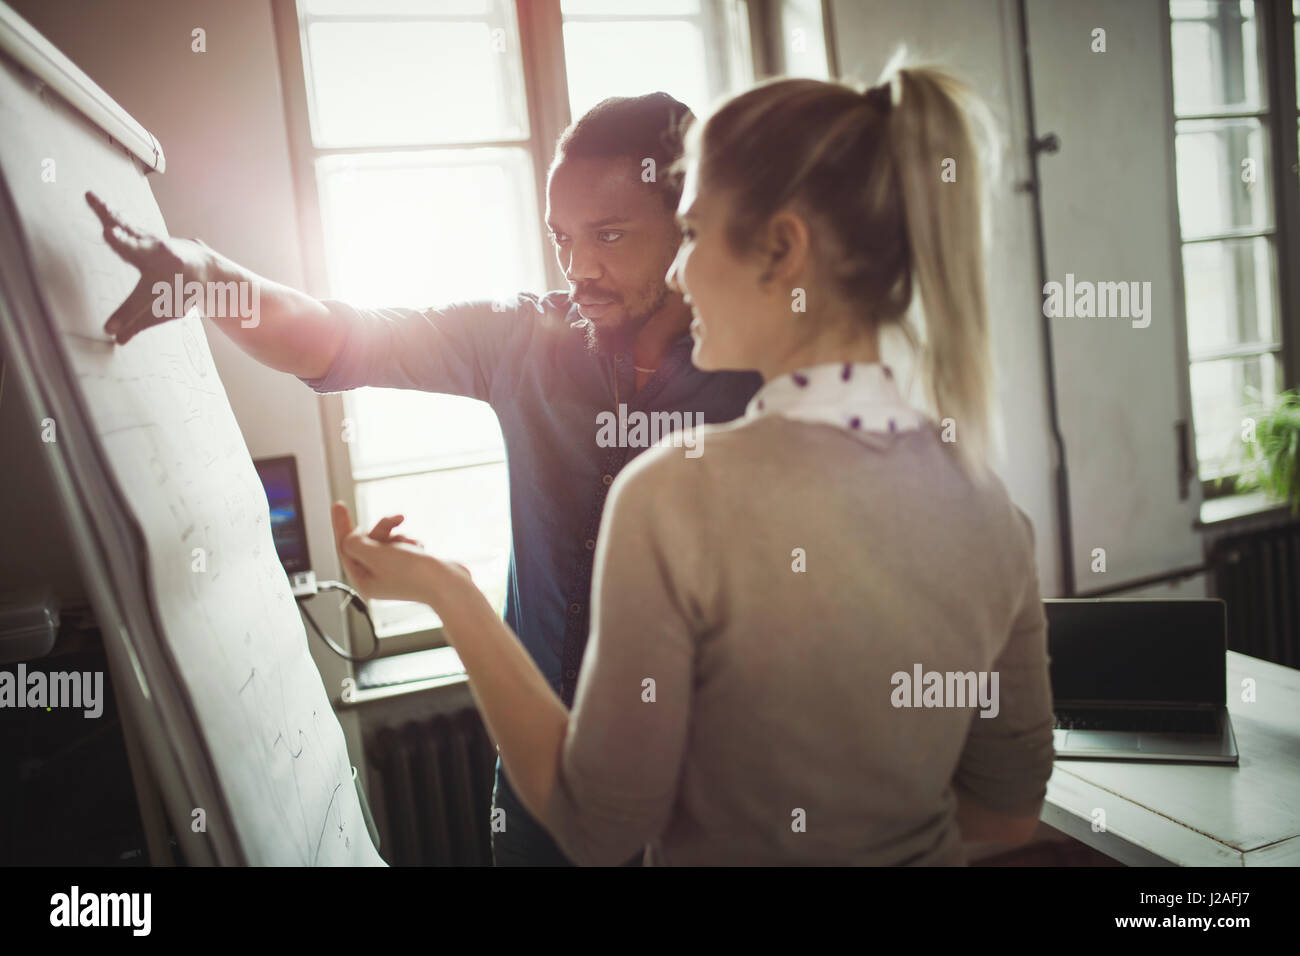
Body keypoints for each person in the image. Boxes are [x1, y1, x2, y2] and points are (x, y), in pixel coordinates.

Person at [332, 60, 1057, 866]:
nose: (679, 269)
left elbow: (597, 828)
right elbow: (1005, 812)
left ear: (782, 252)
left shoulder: (676, 493)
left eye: (697, 232)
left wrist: (449, 592)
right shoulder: (990, 509)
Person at [87, 92, 761, 867]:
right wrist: (209, 278)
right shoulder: (523, 337)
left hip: (699, 804)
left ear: (688, 224)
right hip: (537, 794)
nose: (579, 269)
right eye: (561, 238)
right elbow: (339, 338)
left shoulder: (761, 379)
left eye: (608, 236)